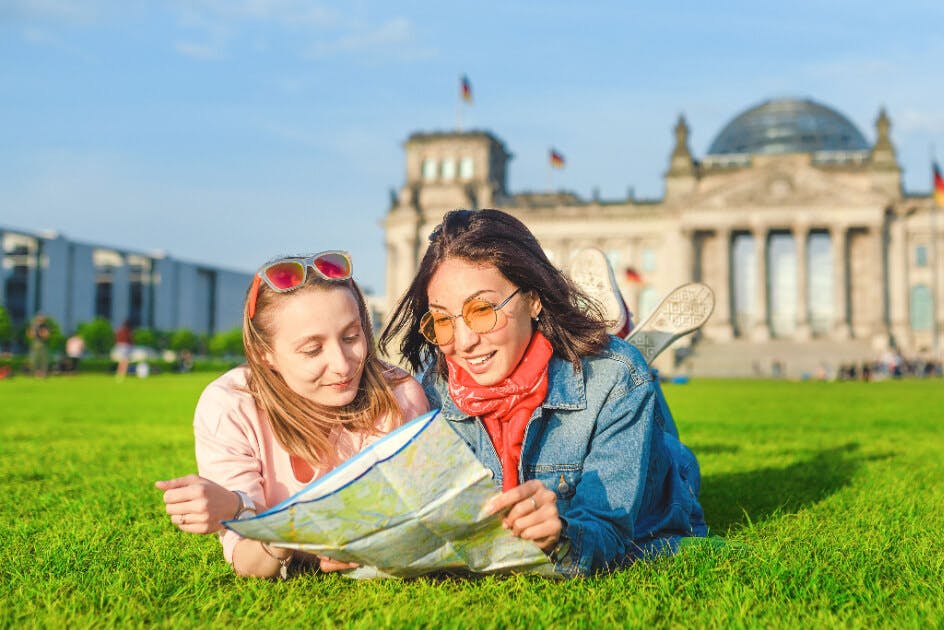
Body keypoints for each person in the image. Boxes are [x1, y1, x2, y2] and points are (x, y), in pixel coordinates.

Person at [380, 209, 707, 577]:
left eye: (483, 310)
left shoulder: (614, 377)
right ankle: (606, 330)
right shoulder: (432, 390)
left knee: (669, 451)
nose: (465, 342)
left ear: (534, 299)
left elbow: (609, 531)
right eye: (442, 319)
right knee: (625, 370)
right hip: (613, 385)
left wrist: (562, 536)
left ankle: (613, 336)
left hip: (659, 481)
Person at [156, 251, 430, 579]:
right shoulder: (230, 406)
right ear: (264, 353)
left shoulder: (397, 396)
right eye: (312, 350)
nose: (343, 365)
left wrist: (251, 515)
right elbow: (247, 560)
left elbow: (410, 527)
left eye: (351, 337)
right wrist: (249, 517)